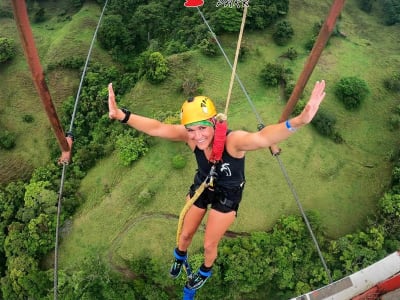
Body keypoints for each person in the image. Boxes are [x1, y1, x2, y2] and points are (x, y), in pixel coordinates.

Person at [107, 80, 326, 290]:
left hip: (227, 195)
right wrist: (121, 115)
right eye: (191, 130)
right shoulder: (190, 137)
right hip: (203, 185)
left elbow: (262, 138)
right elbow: (157, 128)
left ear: (213, 122)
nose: (197, 136)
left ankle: (205, 271)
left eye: (202, 128)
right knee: (184, 235)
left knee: (209, 245)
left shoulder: (233, 142)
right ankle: (180, 257)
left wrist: (299, 121)